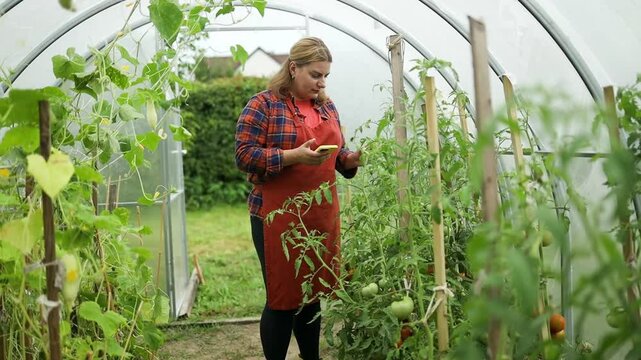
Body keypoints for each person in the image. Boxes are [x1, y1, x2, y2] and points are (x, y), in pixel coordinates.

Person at [235, 37, 361, 360]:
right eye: (315, 75)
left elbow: (334, 154)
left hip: (319, 214)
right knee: (281, 299)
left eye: (325, 77)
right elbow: (245, 156)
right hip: (275, 216)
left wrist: (347, 160)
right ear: (294, 68)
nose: (321, 83)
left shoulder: (326, 106)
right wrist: (293, 157)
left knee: (311, 295)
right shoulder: (263, 105)